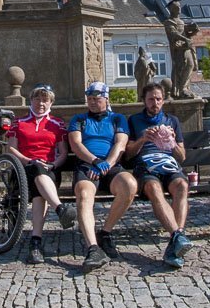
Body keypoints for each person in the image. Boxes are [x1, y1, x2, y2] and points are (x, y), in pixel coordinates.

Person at [67, 81, 137, 272]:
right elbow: (76, 144)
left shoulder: (117, 119)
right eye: (89, 99)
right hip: (87, 165)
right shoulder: (79, 119)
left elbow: (120, 144)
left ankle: (105, 232)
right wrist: (95, 161)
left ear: (106, 99)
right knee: (84, 195)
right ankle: (93, 248)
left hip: (110, 166)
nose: (92, 102)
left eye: (96, 99)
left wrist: (106, 163)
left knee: (129, 185)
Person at [4, 84, 76, 264]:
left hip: (49, 171)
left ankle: (36, 243)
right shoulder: (19, 122)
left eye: (45, 100)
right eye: (37, 99)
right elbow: (11, 148)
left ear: (51, 103)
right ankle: (59, 209)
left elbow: (63, 153)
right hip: (23, 169)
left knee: (39, 185)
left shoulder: (57, 124)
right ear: (31, 100)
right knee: (36, 170)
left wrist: (53, 165)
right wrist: (29, 161)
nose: (41, 103)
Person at [126, 80, 191, 269]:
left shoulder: (172, 121)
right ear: (144, 101)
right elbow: (128, 154)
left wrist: (171, 142)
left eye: (158, 99)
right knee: (154, 188)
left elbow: (182, 157)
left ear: (163, 100)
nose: (155, 103)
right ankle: (178, 237)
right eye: (151, 99)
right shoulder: (134, 120)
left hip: (169, 165)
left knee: (182, 186)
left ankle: (176, 238)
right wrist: (143, 139)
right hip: (146, 166)